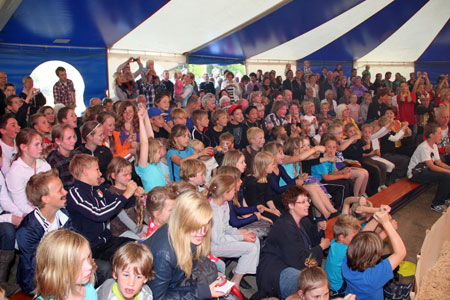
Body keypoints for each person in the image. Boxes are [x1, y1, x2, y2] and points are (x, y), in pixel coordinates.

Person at [66, 154, 138, 283]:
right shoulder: (75, 193)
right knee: (110, 269)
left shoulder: (97, 189)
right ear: (85, 172)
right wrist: (127, 194)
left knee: (137, 248)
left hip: (107, 240)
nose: (100, 174)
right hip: (91, 248)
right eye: (97, 170)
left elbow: (121, 202)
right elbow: (99, 214)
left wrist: (133, 195)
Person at [144, 191, 227, 299]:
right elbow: (156, 297)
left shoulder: (189, 235)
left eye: (206, 223)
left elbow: (195, 260)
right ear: (181, 221)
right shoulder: (163, 254)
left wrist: (213, 273)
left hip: (182, 284)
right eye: (195, 225)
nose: (202, 232)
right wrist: (203, 292)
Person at [256, 186, 329, 299]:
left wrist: (318, 228)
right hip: (276, 271)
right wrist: (320, 247)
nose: (308, 204)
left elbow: (311, 241)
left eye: (307, 200)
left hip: (290, 264)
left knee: (316, 284)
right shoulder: (284, 226)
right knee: (312, 287)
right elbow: (299, 260)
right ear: (291, 205)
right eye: (303, 202)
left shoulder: (303, 220)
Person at [16, 170, 72, 295]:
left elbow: (72, 245)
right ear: (45, 199)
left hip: (63, 267)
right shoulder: (27, 230)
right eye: (60, 190)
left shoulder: (63, 215)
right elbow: (37, 266)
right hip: (38, 279)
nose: (65, 192)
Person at [208, 174, 260, 289]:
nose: (234, 192)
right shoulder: (213, 211)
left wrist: (241, 233)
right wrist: (241, 237)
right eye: (232, 190)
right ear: (224, 193)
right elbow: (218, 240)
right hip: (212, 246)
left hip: (221, 239)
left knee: (254, 239)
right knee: (250, 248)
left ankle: (238, 272)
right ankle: (235, 282)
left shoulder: (224, 204)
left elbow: (226, 227)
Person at [342, 210, 406, 300]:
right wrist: (387, 225)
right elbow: (400, 253)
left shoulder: (346, 261)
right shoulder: (374, 275)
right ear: (376, 257)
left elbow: (363, 238)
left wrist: (377, 218)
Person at [33, 229, 96, 300]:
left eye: (88, 257)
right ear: (57, 269)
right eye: (78, 263)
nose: (89, 267)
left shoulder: (88, 286)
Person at [6, 129, 51, 215]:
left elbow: (52, 189)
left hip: (46, 207)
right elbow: (21, 204)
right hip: (28, 213)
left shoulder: (44, 164)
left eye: (41, 144)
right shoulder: (16, 172)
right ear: (23, 147)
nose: (40, 148)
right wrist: (43, 214)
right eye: (36, 145)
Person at [408, 123, 450, 213]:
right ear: (431, 135)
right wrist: (447, 171)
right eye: (439, 133)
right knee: (446, 176)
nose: (441, 135)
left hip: (425, 170)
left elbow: (438, 162)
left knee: (447, 174)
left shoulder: (434, 145)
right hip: (416, 173)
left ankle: (446, 198)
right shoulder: (424, 147)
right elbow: (432, 166)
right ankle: (436, 204)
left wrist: (449, 168)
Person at [106, 157, 146, 239]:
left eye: (130, 174)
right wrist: (139, 232)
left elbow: (140, 209)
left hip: (136, 225)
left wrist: (142, 197)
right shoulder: (111, 193)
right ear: (113, 175)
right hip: (121, 231)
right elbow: (124, 218)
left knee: (154, 231)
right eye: (125, 175)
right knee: (141, 241)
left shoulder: (131, 186)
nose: (129, 177)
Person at [324, 215, 361, 297]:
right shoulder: (346, 250)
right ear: (342, 237)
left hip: (328, 279)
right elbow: (364, 249)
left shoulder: (334, 242)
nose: (357, 239)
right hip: (337, 286)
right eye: (354, 237)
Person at [46, 124, 79, 191]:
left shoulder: (77, 154)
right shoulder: (54, 161)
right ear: (58, 141)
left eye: (74, 137)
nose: (73, 140)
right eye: (69, 138)